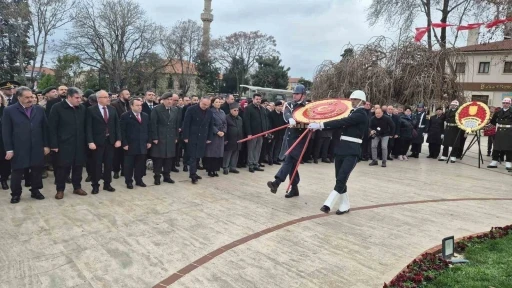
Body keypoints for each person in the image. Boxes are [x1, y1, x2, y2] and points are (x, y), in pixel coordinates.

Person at [308, 90, 369, 215]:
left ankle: (328, 204)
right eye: (351, 100)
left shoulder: (361, 114)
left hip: (352, 150)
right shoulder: (351, 113)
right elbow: (338, 123)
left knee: (342, 177)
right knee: (339, 178)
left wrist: (321, 125)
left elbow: (342, 122)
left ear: (361, 102)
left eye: (355, 100)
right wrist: (319, 123)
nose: (352, 102)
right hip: (342, 148)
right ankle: (344, 205)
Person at [2, 86, 49, 203]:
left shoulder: (39, 110)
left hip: (37, 146)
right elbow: (6, 131)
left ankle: (35, 190)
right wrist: (9, 149)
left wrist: (46, 145)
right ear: (19, 98)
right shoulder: (9, 111)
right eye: (27, 97)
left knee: (36, 170)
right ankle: (16, 194)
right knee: (17, 171)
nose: (30, 99)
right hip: (19, 147)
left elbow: (45, 129)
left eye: (31, 97)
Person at [266, 85, 308, 198]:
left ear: (303, 95)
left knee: (289, 160)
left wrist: (299, 124)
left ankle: (277, 182)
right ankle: (294, 189)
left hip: (301, 138)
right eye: (294, 93)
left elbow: (308, 123)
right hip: (289, 137)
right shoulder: (289, 104)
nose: (294, 95)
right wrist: (290, 119)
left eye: (297, 94)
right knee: (292, 164)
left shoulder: (306, 107)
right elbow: (286, 114)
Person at [49, 87, 88, 199]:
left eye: (80, 97)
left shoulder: (82, 108)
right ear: (69, 97)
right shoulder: (57, 108)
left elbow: (85, 126)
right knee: (62, 168)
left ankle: (77, 187)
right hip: (63, 144)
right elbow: (52, 128)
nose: (79, 100)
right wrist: (54, 144)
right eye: (76, 98)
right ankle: (60, 189)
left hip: (79, 143)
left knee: (78, 166)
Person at [85, 90, 121, 194]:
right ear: (98, 99)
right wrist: (90, 141)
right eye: (105, 97)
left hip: (110, 141)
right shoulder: (91, 110)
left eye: (108, 97)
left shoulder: (112, 109)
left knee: (109, 164)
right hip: (97, 142)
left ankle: (107, 184)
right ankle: (95, 185)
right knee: (97, 164)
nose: (108, 99)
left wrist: (118, 139)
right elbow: (88, 127)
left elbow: (117, 126)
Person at [150, 93, 181, 184]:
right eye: (167, 99)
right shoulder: (157, 109)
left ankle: (167, 176)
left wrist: (176, 136)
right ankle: (157, 176)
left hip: (171, 137)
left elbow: (176, 125)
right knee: (159, 158)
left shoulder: (175, 110)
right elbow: (153, 124)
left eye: (171, 99)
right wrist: (154, 137)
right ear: (163, 100)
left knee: (169, 158)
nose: (170, 101)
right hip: (160, 137)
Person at [120, 98, 151, 188]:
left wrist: (149, 141)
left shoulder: (145, 116)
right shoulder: (125, 116)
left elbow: (149, 129)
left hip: (142, 144)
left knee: (140, 164)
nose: (139, 107)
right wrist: (124, 143)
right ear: (131, 106)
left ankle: (139, 180)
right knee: (129, 165)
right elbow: (122, 131)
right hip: (130, 145)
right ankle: (128, 181)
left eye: (140, 105)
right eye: (137, 105)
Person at [182, 97, 213, 184]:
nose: (205, 106)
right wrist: (185, 137)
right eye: (204, 104)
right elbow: (186, 123)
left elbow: (210, 125)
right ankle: (192, 175)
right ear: (200, 102)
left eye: (207, 105)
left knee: (198, 156)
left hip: (203, 137)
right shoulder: (191, 109)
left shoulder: (209, 111)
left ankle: (194, 171)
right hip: (193, 136)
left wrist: (209, 138)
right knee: (193, 156)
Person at [243, 93, 269, 172]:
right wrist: (249, 133)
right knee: (251, 149)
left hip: (261, 133)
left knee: (258, 149)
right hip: (252, 133)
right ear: (253, 99)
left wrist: (265, 131)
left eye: (259, 99)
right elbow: (246, 122)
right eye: (257, 99)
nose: (258, 101)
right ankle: (250, 164)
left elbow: (265, 121)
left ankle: (256, 163)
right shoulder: (248, 108)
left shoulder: (262, 108)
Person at [204, 97, 227, 177]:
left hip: (221, 134)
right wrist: (217, 131)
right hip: (213, 135)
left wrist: (223, 131)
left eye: (219, 102)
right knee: (211, 153)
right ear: (213, 103)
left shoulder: (222, 112)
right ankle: (210, 170)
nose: (218, 103)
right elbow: (210, 124)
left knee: (218, 153)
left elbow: (225, 123)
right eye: (216, 102)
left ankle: (216, 170)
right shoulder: (210, 112)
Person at [487, 98, 512, 170]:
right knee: (496, 146)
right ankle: (494, 161)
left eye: (507, 103)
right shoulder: (498, 112)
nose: (505, 104)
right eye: (504, 103)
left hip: (509, 131)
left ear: (510, 104)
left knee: (509, 147)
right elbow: (493, 121)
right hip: (499, 130)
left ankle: (508, 162)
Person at [223, 102, 243, 174]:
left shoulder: (240, 118)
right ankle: (225, 167)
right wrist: (225, 139)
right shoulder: (226, 117)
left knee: (235, 153)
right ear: (231, 110)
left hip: (238, 139)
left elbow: (241, 128)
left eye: (237, 110)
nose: (236, 112)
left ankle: (233, 167)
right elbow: (224, 129)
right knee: (228, 154)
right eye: (235, 110)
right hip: (229, 139)